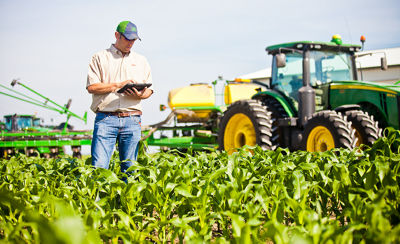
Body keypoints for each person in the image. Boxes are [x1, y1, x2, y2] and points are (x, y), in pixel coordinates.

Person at [86, 20, 153, 175]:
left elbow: (150, 91)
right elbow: (92, 87)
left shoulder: (141, 61)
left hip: (132, 119)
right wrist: (117, 85)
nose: (131, 43)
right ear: (117, 35)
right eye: (127, 38)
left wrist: (140, 94)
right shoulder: (100, 58)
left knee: (130, 170)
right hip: (106, 119)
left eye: (134, 40)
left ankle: (125, 200)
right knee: (99, 168)